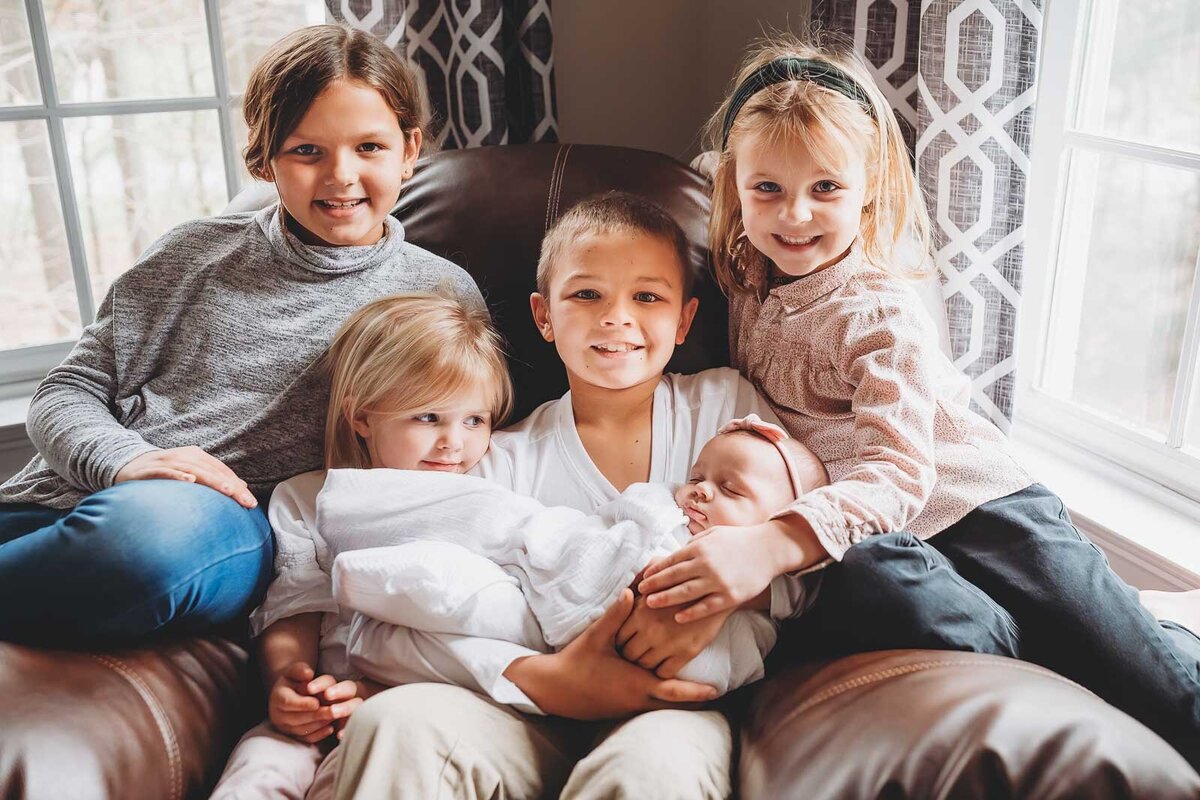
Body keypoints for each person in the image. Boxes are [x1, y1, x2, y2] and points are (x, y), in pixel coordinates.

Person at [634, 33, 1200, 766]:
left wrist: (769, 545)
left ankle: (1157, 638)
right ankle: (1056, 647)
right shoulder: (747, 275)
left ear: (870, 184)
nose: (795, 216)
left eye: (826, 188)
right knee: (882, 585)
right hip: (890, 543)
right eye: (767, 188)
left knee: (1155, 690)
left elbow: (903, 473)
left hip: (989, 512)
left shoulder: (877, 312)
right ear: (736, 187)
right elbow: (721, 163)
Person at [0, 23, 483, 648]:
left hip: (230, 523)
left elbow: (471, 434)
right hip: (65, 496)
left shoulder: (439, 295)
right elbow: (66, 390)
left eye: (369, 147)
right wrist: (128, 461)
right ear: (264, 157)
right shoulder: (191, 254)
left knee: (148, 543)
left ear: (408, 149)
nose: (341, 176)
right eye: (307, 151)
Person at [331, 192, 789, 799]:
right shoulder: (497, 461)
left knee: (651, 770)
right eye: (587, 294)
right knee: (394, 723)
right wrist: (549, 679)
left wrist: (719, 598)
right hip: (527, 713)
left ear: (683, 320)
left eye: (647, 297)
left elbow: (810, 537)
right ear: (544, 316)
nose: (616, 318)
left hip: (669, 711)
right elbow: (411, 607)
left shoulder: (726, 408)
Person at [210, 292, 513, 799]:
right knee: (258, 771)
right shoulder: (308, 498)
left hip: (428, 709)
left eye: (474, 420)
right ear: (362, 417)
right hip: (324, 699)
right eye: (427, 417)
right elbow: (295, 608)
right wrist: (290, 685)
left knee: (346, 779)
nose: (453, 443)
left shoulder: (487, 494)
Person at [320, 414, 827, 695]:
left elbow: (802, 583)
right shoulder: (658, 500)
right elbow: (624, 518)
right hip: (555, 577)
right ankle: (359, 529)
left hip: (621, 664)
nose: (700, 493)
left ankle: (381, 594)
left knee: (465, 605)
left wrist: (749, 583)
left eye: (730, 491)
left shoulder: (775, 576)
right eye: (697, 477)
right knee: (491, 524)